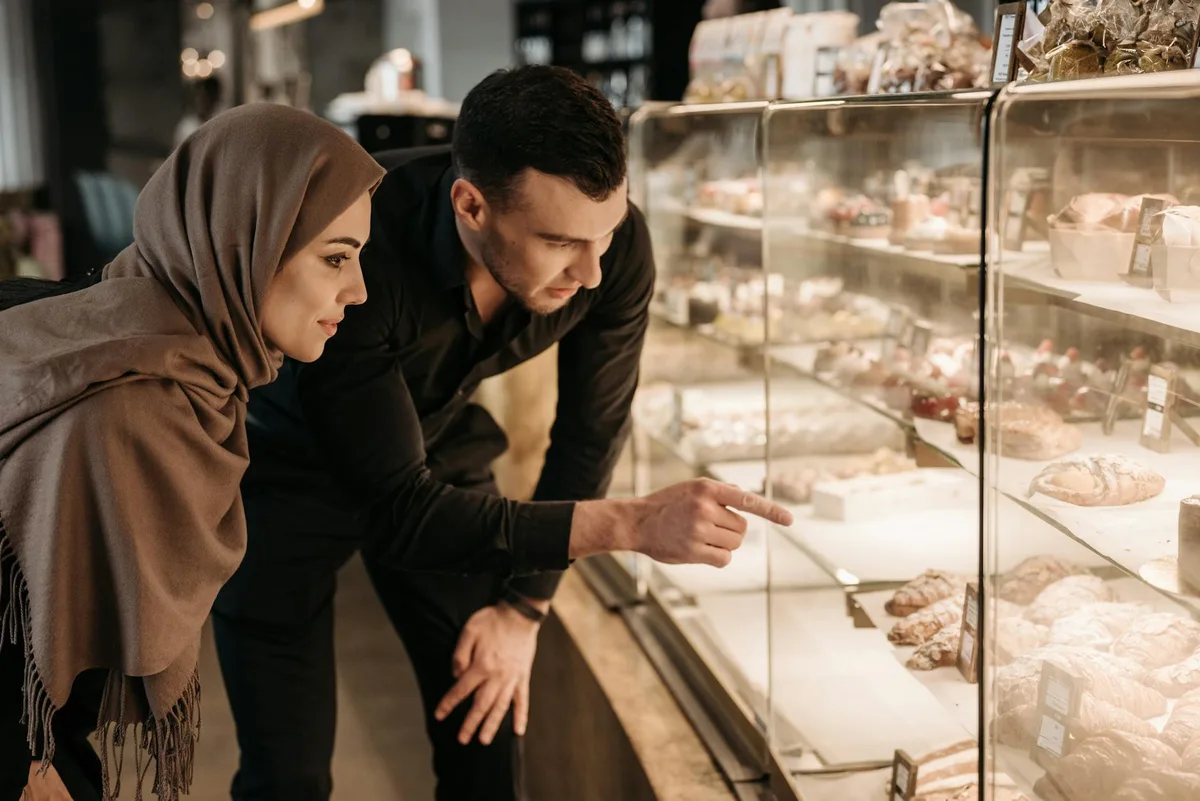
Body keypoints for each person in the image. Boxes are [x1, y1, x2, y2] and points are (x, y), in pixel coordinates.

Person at [212, 65, 791, 801]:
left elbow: (591, 431)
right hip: (289, 468)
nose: (589, 273)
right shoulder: (362, 252)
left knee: (487, 728)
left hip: (438, 444)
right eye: (558, 242)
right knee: (285, 774)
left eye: (604, 236)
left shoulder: (609, 253)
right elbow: (402, 513)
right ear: (471, 204)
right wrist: (633, 523)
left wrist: (524, 606)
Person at [0, 103, 385, 800]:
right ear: (246, 242)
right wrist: (25, 769)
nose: (357, 291)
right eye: (335, 258)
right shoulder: (134, 404)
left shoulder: (166, 346)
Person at [174, 76, 223, 149]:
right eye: (198, 96)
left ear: (214, 97)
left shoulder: (222, 123)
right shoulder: (186, 127)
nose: (200, 100)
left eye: (205, 96)